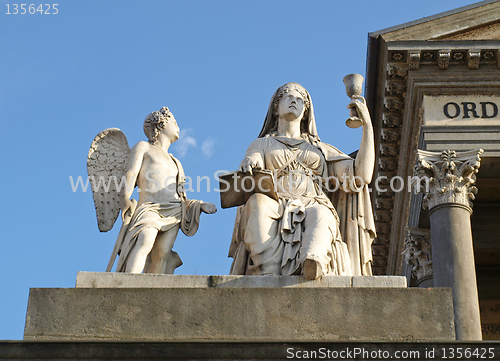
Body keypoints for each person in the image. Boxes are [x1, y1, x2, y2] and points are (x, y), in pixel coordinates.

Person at [228, 83, 375, 279]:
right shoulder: (262, 144)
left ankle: (312, 261)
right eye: (288, 96)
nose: (294, 101)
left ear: (306, 111)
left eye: (300, 100)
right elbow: (253, 159)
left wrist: (367, 127)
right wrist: (249, 162)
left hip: (313, 201)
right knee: (257, 204)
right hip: (275, 202)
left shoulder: (320, 149)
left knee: (321, 214)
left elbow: (361, 175)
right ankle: (267, 270)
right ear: (275, 107)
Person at [116, 107, 216, 273]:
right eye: (174, 122)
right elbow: (131, 173)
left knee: (161, 254)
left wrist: (200, 205)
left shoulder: (176, 162)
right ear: (160, 125)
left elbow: (181, 196)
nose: (178, 127)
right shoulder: (143, 147)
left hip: (174, 211)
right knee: (145, 240)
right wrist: (125, 197)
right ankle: (129, 281)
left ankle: (150, 292)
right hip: (150, 207)